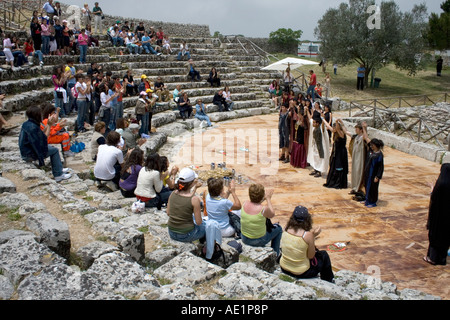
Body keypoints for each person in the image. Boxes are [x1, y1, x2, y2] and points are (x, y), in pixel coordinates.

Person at [280, 206, 334, 283]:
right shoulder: (307, 235)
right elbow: (310, 256)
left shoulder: (285, 229)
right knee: (324, 255)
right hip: (301, 273)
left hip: (284, 268)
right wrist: (313, 236)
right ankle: (328, 281)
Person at [19, 105, 71, 182]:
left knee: (52, 148)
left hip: (27, 150)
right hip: (29, 153)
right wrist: (49, 125)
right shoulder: (33, 127)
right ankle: (58, 175)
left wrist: (48, 124)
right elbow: (44, 138)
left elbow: (40, 134)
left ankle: (59, 168)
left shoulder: (28, 124)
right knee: (55, 151)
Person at [240, 183, 282, 255]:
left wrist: (263, 199)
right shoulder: (263, 209)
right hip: (258, 240)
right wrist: (268, 199)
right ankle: (276, 253)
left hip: (244, 238)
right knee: (279, 229)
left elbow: (255, 203)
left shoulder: (245, 204)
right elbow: (272, 214)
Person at [166, 167, 205, 243]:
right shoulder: (194, 199)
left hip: (171, 232)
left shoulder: (173, 194)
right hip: (186, 235)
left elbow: (168, 213)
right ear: (192, 183)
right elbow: (199, 222)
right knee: (206, 226)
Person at [424, 163, 450, 265]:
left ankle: (433, 258)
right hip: (448, 220)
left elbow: (434, 198)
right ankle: (442, 259)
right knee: (445, 238)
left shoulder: (441, 184)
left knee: (435, 237)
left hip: (438, 218)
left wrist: (432, 188)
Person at [322, 119, 348, 189]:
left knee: (339, 167)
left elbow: (338, 129)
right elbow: (328, 125)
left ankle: (338, 183)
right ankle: (332, 181)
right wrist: (323, 119)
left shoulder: (341, 134)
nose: (333, 129)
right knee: (333, 166)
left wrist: (338, 122)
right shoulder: (335, 133)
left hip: (341, 153)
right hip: (335, 153)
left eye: (334, 128)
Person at [306, 107, 330, 178]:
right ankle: (316, 169)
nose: (313, 123)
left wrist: (323, 119)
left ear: (317, 123)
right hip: (315, 145)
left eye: (314, 122)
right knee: (315, 157)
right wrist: (307, 110)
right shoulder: (314, 127)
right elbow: (310, 119)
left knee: (320, 158)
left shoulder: (321, 128)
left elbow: (323, 125)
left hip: (320, 146)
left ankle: (319, 171)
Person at [346, 123, 368, 197]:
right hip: (355, 157)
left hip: (360, 158)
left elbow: (366, 136)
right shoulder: (355, 136)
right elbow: (346, 132)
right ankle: (354, 188)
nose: (355, 130)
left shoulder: (363, 137)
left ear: (361, 130)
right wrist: (341, 123)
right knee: (354, 173)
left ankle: (359, 188)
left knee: (359, 172)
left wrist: (364, 128)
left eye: (357, 129)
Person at [363, 138, 384, 208]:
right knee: (367, 186)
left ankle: (373, 201)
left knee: (373, 188)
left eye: (373, 145)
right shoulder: (371, 151)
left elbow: (380, 167)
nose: (371, 146)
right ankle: (367, 199)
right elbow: (366, 138)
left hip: (373, 175)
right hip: (368, 173)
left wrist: (377, 176)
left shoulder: (379, 155)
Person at [290, 103, 309, 169]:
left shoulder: (304, 122)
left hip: (301, 138)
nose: (298, 115)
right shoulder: (298, 120)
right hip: (297, 136)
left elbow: (305, 128)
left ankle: (301, 162)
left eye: (300, 115)